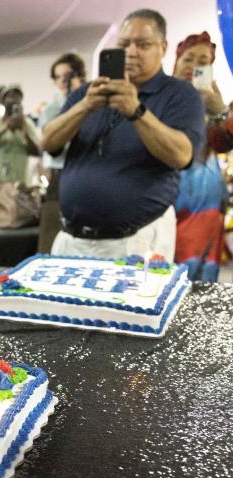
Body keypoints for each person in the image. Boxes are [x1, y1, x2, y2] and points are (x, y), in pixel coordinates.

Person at [41, 9, 204, 259]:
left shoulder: (180, 94)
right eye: (124, 44)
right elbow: (48, 141)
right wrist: (84, 106)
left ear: (163, 47)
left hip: (137, 241)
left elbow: (181, 155)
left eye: (143, 44)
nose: (131, 52)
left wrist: (136, 111)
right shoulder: (87, 93)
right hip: (72, 239)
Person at [172, 32, 227, 281]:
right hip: (168, 198)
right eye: (188, 59)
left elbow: (225, 143)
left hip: (205, 202)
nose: (194, 66)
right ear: (176, 62)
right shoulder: (161, 98)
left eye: (203, 62)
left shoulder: (215, 104)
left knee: (201, 281)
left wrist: (220, 111)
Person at [38, 53, 86, 251]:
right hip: (58, 176)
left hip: (85, 173)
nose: (62, 81)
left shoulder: (94, 100)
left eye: (67, 75)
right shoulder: (51, 108)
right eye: (58, 77)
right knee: (51, 238)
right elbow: (48, 144)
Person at [0, 85, 39, 199]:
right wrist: (5, 128)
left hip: (18, 183)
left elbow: (38, 151)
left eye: (17, 97)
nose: (14, 100)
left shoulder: (27, 124)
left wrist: (25, 133)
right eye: (10, 96)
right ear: (2, 101)